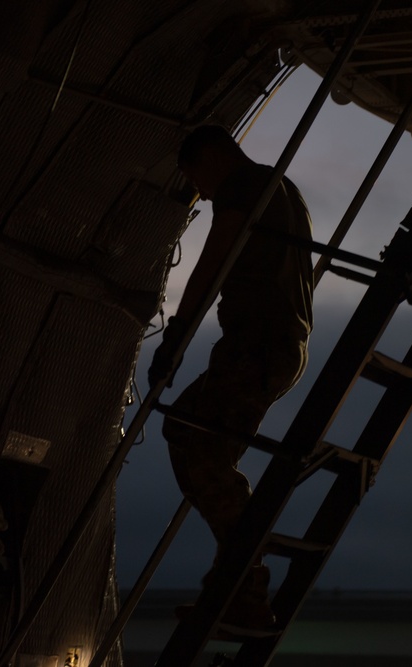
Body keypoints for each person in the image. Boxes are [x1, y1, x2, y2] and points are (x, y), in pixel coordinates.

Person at [148, 125, 314, 632]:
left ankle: (245, 585)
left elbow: (214, 261)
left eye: (198, 180)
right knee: (189, 435)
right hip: (273, 345)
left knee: (200, 447)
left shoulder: (244, 186)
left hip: (257, 345)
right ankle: (236, 581)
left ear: (211, 159)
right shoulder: (285, 189)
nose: (204, 193)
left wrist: (174, 337)